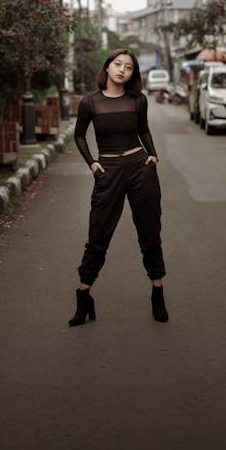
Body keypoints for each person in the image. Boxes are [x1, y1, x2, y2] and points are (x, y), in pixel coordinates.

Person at [69, 48, 168, 326]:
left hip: (140, 168)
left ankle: (157, 292)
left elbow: (144, 129)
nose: (122, 69)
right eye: (117, 64)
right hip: (108, 171)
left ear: (132, 74)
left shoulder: (138, 100)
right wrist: (91, 163)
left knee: (150, 232)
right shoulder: (90, 102)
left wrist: (153, 154)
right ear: (108, 67)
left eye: (128, 67)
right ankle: (83, 294)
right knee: (98, 234)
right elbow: (79, 135)